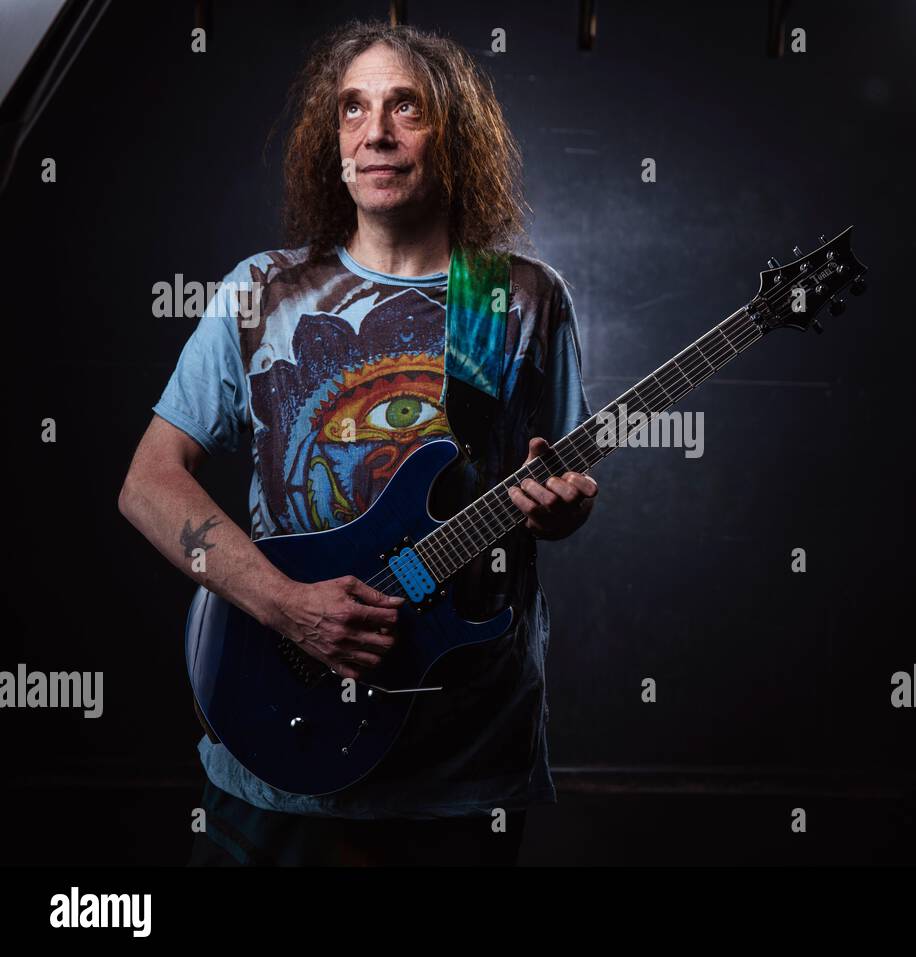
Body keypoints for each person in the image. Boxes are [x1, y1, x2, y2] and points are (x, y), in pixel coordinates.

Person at [117, 20, 597, 866]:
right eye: (352, 109)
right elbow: (149, 483)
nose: (375, 132)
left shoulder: (521, 299)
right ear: (331, 140)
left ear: (454, 134)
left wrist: (557, 511)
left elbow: (549, 496)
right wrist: (286, 606)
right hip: (276, 746)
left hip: (461, 765)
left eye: (404, 107)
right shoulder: (260, 290)